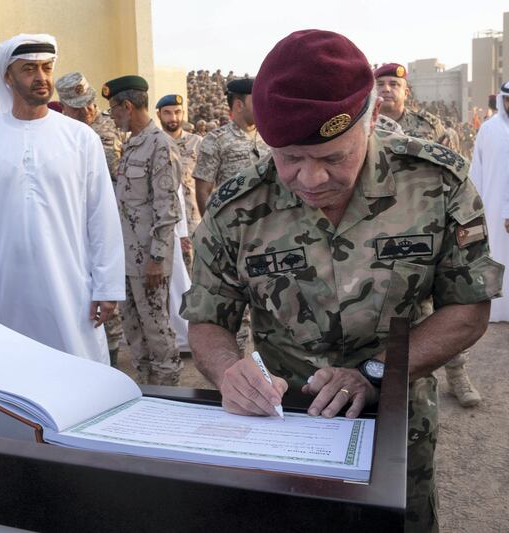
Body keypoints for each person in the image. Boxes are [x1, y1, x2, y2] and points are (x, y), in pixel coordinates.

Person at [181, 30, 503, 533]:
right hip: (282, 424)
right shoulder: (236, 209)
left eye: (333, 158)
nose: (311, 179)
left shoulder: (436, 184)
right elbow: (206, 318)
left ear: (373, 119)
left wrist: (373, 373)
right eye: (289, 158)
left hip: (394, 423)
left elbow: (468, 309)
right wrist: (227, 372)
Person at [0, 34, 124, 364]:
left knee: (81, 373)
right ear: (8, 77)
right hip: (8, 295)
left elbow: (101, 217)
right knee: (15, 372)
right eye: (29, 69)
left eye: (46, 68)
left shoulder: (80, 138)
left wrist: (107, 286)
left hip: (73, 290)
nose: (41, 78)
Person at [377, 63, 481, 407]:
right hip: (383, 232)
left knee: (447, 305)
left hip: (431, 226)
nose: (388, 89)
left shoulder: (431, 127)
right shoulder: (365, 128)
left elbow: (456, 175)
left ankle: (457, 374)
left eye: (395, 84)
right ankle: (404, 384)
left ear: (407, 91)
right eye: (382, 83)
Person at [104, 75, 183, 384]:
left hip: (148, 260)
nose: (112, 116)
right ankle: (147, 389)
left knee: (157, 328)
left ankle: (170, 393)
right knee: (133, 330)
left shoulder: (160, 145)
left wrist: (157, 259)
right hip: (126, 258)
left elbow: (167, 210)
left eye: (113, 109)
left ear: (127, 106)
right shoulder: (132, 145)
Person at [54, 71, 126, 365]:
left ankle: (112, 356)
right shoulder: (57, 132)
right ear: (63, 106)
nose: (87, 111)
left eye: (90, 103)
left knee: (106, 296)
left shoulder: (105, 130)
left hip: (106, 221)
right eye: (77, 106)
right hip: (69, 227)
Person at [193, 77, 269, 216]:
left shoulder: (269, 135)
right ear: (239, 105)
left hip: (269, 221)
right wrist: (210, 229)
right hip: (233, 223)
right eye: (256, 101)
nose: (262, 106)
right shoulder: (216, 140)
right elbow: (203, 190)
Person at [470, 80, 509, 323]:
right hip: (493, 208)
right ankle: (499, 310)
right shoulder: (489, 129)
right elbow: (477, 171)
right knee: (497, 255)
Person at [156, 94, 202, 269]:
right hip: (164, 223)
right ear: (159, 114)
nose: (173, 118)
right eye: (167, 113)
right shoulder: (155, 143)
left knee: (196, 273)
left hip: (194, 222)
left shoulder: (197, 143)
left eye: (177, 112)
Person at [375, 64, 447, 143]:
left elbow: (450, 154)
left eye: (393, 84)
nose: (386, 89)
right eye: (380, 84)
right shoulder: (362, 123)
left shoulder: (429, 124)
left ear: (406, 93)